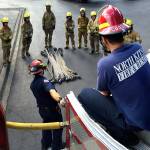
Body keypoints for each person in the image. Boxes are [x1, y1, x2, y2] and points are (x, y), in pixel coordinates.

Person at [78, 5, 150, 147]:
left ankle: (124, 135)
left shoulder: (105, 64)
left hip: (136, 124)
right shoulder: (138, 48)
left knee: (85, 94)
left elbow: (104, 93)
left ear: (103, 39)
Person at [29, 59, 66, 150]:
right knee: (57, 128)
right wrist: (60, 99)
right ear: (42, 70)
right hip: (52, 111)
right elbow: (52, 91)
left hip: (42, 110)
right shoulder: (45, 82)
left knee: (46, 126)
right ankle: (56, 147)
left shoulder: (32, 85)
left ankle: (45, 146)